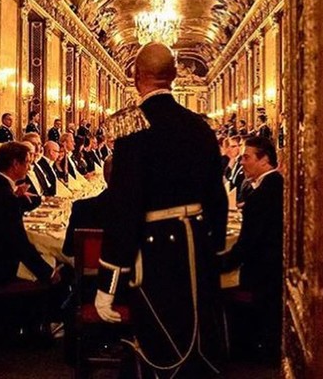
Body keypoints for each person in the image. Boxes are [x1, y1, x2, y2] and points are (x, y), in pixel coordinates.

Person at [94, 42, 228, 378]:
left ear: (136, 76)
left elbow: (124, 210)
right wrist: (211, 248)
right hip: (196, 247)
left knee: (160, 338)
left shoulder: (133, 128)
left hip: (153, 253)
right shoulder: (200, 126)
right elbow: (218, 197)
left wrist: (107, 285)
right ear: (174, 76)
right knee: (196, 331)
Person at [219, 136, 283, 364]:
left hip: (263, 274)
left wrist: (218, 264)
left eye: (247, 157)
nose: (242, 162)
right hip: (271, 268)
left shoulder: (261, 197)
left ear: (264, 160)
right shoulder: (276, 185)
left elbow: (246, 247)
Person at [0, 141, 61, 285]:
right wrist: (48, 273)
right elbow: (20, 244)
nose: (29, 168)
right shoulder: (4, 196)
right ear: (15, 164)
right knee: (59, 263)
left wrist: (16, 197)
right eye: (27, 162)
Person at [62, 156, 113, 257]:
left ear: (104, 175)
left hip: (90, 265)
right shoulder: (137, 211)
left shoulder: (82, 208)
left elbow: (68, 250)